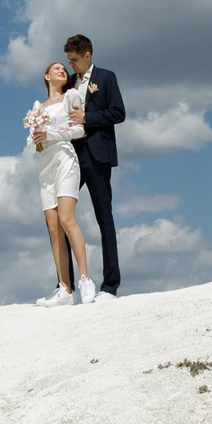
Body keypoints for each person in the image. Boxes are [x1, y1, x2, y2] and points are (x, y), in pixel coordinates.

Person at [25, 60, 95, 305]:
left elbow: (79, 131)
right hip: (45, 165)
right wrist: (36, 139)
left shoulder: (71, 97)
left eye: (64, 69)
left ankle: (85, 280)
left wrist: (50, 134)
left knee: (67, 219)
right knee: (53, 227)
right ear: (46, 77)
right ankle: (64, 289)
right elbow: (32, 142)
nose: (62, 70)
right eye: (56, 69)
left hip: (66, 158)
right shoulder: (38, 107)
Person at [63, 34, 124, 297]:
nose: (71, 65)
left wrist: (87, 117)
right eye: (69, 60)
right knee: (61, 217)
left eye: (74, 60)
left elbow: (118, 113)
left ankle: (110, 286)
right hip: (71, 157)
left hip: (98, 156)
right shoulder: (68, 84)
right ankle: (65, 285)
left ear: (87, 55)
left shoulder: (107, 77)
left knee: (104, 219)